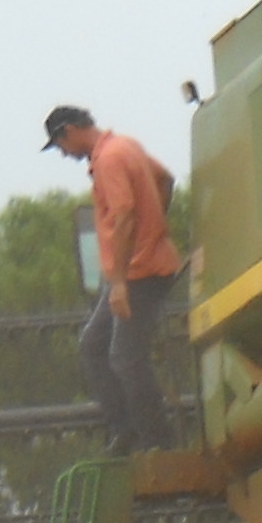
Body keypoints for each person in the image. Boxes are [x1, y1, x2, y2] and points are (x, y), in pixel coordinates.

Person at [46, 105, 181, 453]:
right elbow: (165, 180)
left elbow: (123, 216)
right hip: (140, 266)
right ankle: (126, 430)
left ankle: (158, 442)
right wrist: (155, 227)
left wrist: (119, 281)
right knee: (94, 346)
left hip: (138, 274)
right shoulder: (126, 146)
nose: (63, 153)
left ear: (70, 131)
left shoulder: (108, 159)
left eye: (60, 145)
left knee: (125, 357)